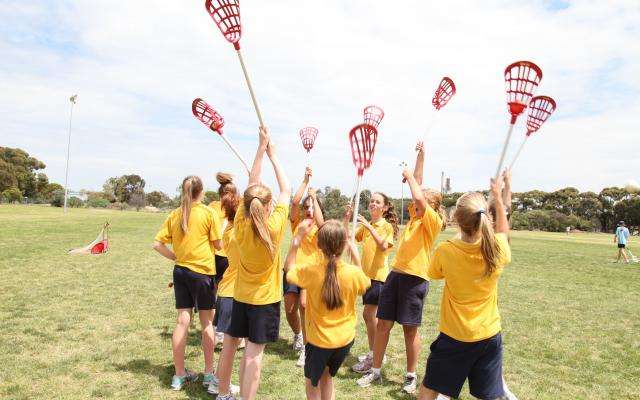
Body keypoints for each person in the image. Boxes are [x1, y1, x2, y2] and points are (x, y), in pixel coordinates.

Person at [357, 141, 446, 394]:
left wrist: (409, 178)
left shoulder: (432, 220)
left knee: (410, 330)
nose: (416, 204)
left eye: (423, 202)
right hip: (395, 276)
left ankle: (410, 376)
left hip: (415, 279)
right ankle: (375, 371)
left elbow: (417, 191)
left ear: (431, 206)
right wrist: (421, 155)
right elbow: (417, 182)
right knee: (383, 323)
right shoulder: (417, 216)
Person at [418, 176, 511, 400]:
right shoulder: (498, 248)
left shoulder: (446, 250)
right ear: (485, 218)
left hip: (454, 337)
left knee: (430, 388)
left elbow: (433, 273)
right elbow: (503, 232)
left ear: (458, 221)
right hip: (489, 335)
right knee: (490, 394)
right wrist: (498, 199)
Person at [215, 126, 291, 400]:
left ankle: (223, 394)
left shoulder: (240, 223)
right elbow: (287, 188)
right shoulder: (274, 227)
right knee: (253, 356)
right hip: (264, 301)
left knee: (230, 346)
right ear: (268, 206)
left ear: (246, 205)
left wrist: (261, 148)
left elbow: (253, 181)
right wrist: (274, 155)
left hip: (240, 296)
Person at [284, 219, 370, 400]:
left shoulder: (312, 271)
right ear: (344, 245)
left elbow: (288, 269)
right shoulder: (353, 273)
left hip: (318, 342)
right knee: (327, 375)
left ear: (319, 245)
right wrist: (356, 257)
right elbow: (365, 284)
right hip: (344, 341)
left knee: (312, 382)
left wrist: (298, 238)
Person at [152, 175, 223, 391]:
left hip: (180, 272)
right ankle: (209, 374)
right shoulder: (209, 213)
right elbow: (219, 245)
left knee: (183, 321)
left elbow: (157, 244)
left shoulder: (175, 213)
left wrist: (176, 258)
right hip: (202, 273)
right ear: (201, 192)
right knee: (207, 323)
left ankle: (179, 375)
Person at [346, 192, 398, 374]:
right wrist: (348, 218)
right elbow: (350, 238)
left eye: (377, 202)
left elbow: (384, 246)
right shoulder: (368, 227)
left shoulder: (386, 227)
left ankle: (374, 355)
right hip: (366, 277)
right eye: (371, 201)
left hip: (379, 278)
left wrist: (368, 226)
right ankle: (375, 352)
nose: (373, 204)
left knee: (369, 315)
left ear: (384, 208)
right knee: (369, 317)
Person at [286, 167, 325, 367]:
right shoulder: (297, 224)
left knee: (303, 306)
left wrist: (314, 198)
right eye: (306, 207)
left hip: (311, 274)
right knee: (290, 309)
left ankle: (307, 349)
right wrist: (304, 180)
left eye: (311, 207)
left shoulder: (319, 227)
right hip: (293, 272)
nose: (308, 210)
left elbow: (321, 221)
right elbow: (293, 202)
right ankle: (299, 335)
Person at [207, 173, 241, 396]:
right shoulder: (234, 229)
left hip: (230, 287)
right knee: (231, 344)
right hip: (231, 291)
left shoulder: (231, 226)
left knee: (232, 342)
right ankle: (220, 386)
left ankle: (220, 382)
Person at [209, 172, 235, 345]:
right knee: (225, 294)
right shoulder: (236, 206)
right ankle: (220, 330)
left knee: (218, 293)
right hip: (225, 256)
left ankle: (217, 330)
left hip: (220, 255)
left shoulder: (213, 206)